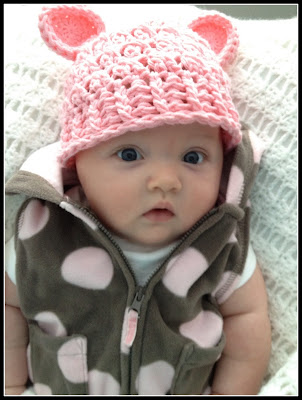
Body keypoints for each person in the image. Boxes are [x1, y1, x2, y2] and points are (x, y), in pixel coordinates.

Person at [5, 5, 271, 395]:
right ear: (78, 161)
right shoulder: (42, 234)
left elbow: (248, 317)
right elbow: (9, 308)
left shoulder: (220, 245)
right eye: (130, 155)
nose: (166, 181)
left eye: (193, 157)